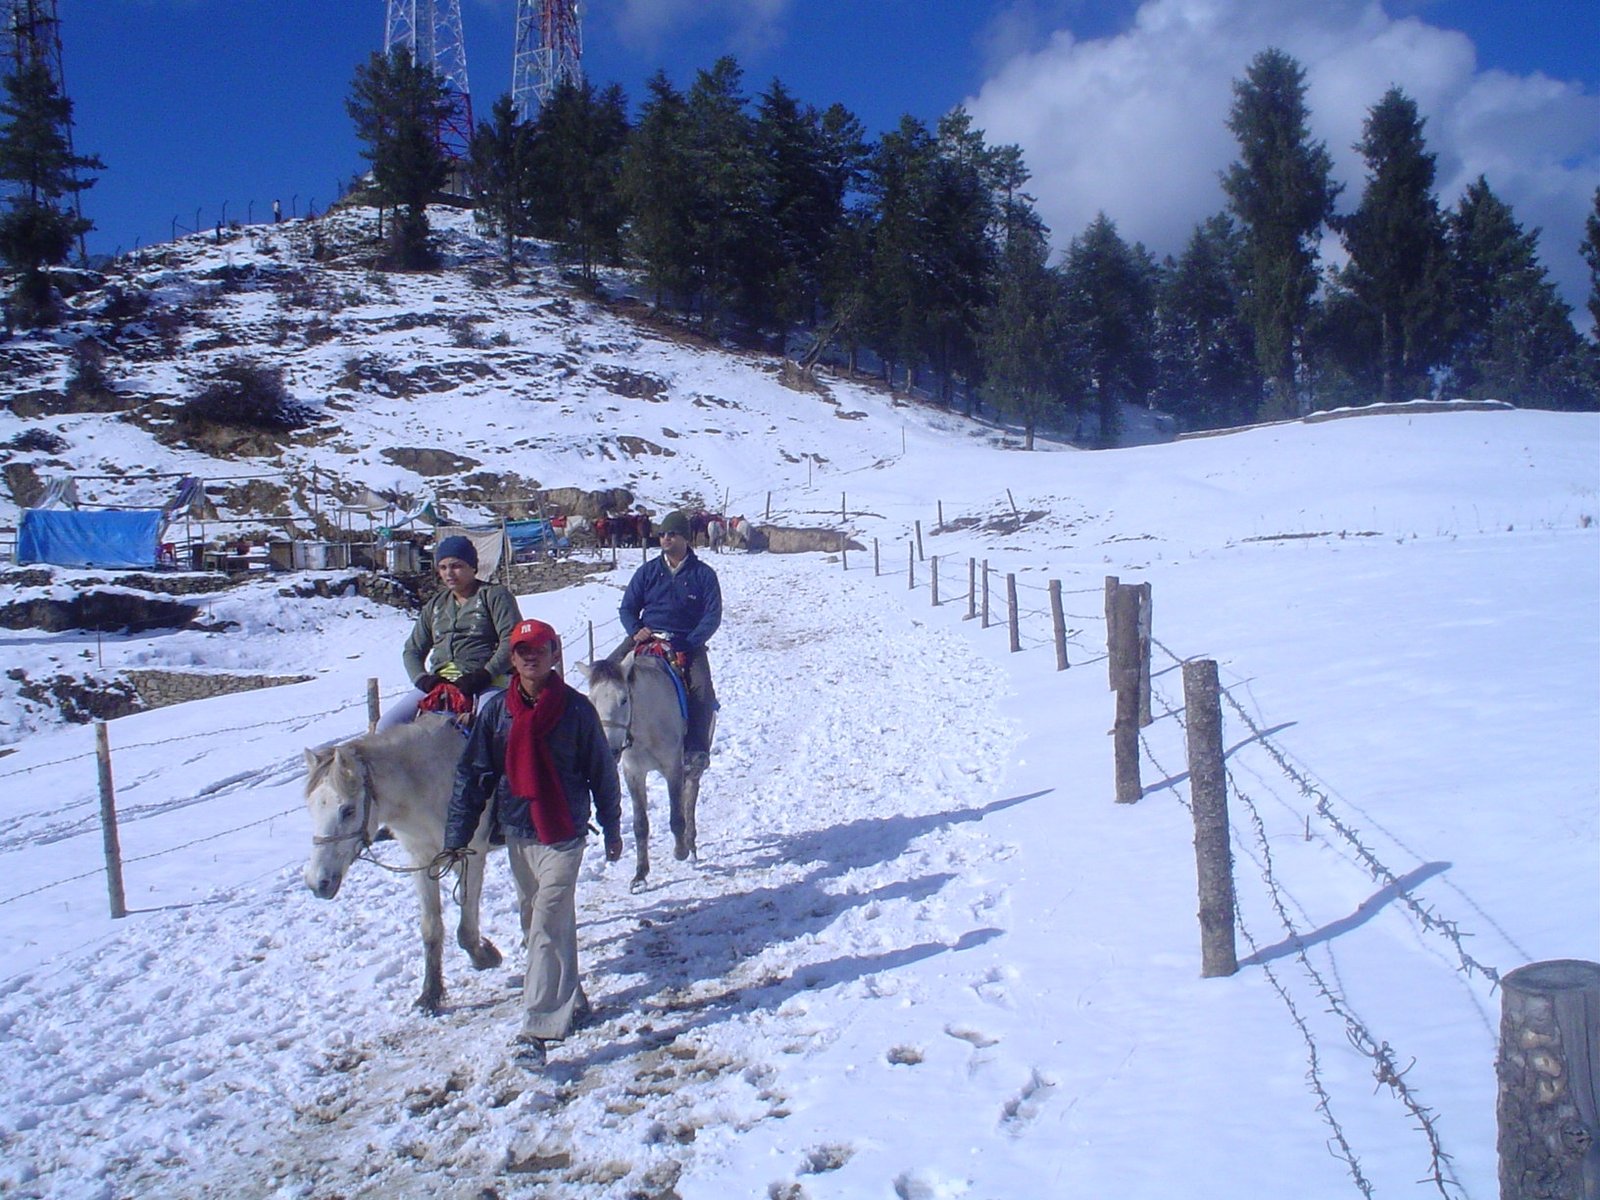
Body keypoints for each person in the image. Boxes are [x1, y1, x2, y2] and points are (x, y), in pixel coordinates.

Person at [438, 619, 622, 1066]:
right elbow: (473, 776)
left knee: (545, 923)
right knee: (538, 923)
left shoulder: (577, 711)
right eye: (521, 650)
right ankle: (571, 995)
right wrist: (457, 836)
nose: (528, 657)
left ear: (555, 653)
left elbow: (602, 772)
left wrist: (612, 826)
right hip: (519, 831)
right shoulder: (496, 712)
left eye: (538, 648)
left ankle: (537, 1029)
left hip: (563, 833)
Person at [610, 509, 722, 777]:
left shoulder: (703, 575)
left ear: (685, 537)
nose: (666, 539)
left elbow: (712, 615)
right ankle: (600, 742)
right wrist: (635, 630)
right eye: (662, 534)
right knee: (604, 674)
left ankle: (696, 749)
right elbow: (627, 607)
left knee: (702, 691)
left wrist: (691, 641)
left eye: (672, 534)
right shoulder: (648, 572)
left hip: (686, 641)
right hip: (647, 635)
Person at [379, 534, 521, 730]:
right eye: (443, 567)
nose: (449, 573)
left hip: (486, 681)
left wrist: (485, 674)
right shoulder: (436, 605)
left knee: (489, 728)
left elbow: (511, 640)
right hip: (441, 684)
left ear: (473, 567)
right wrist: (424, 680)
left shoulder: (494, 596)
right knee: (387, 725)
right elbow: (412, 650)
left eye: (456, 566)